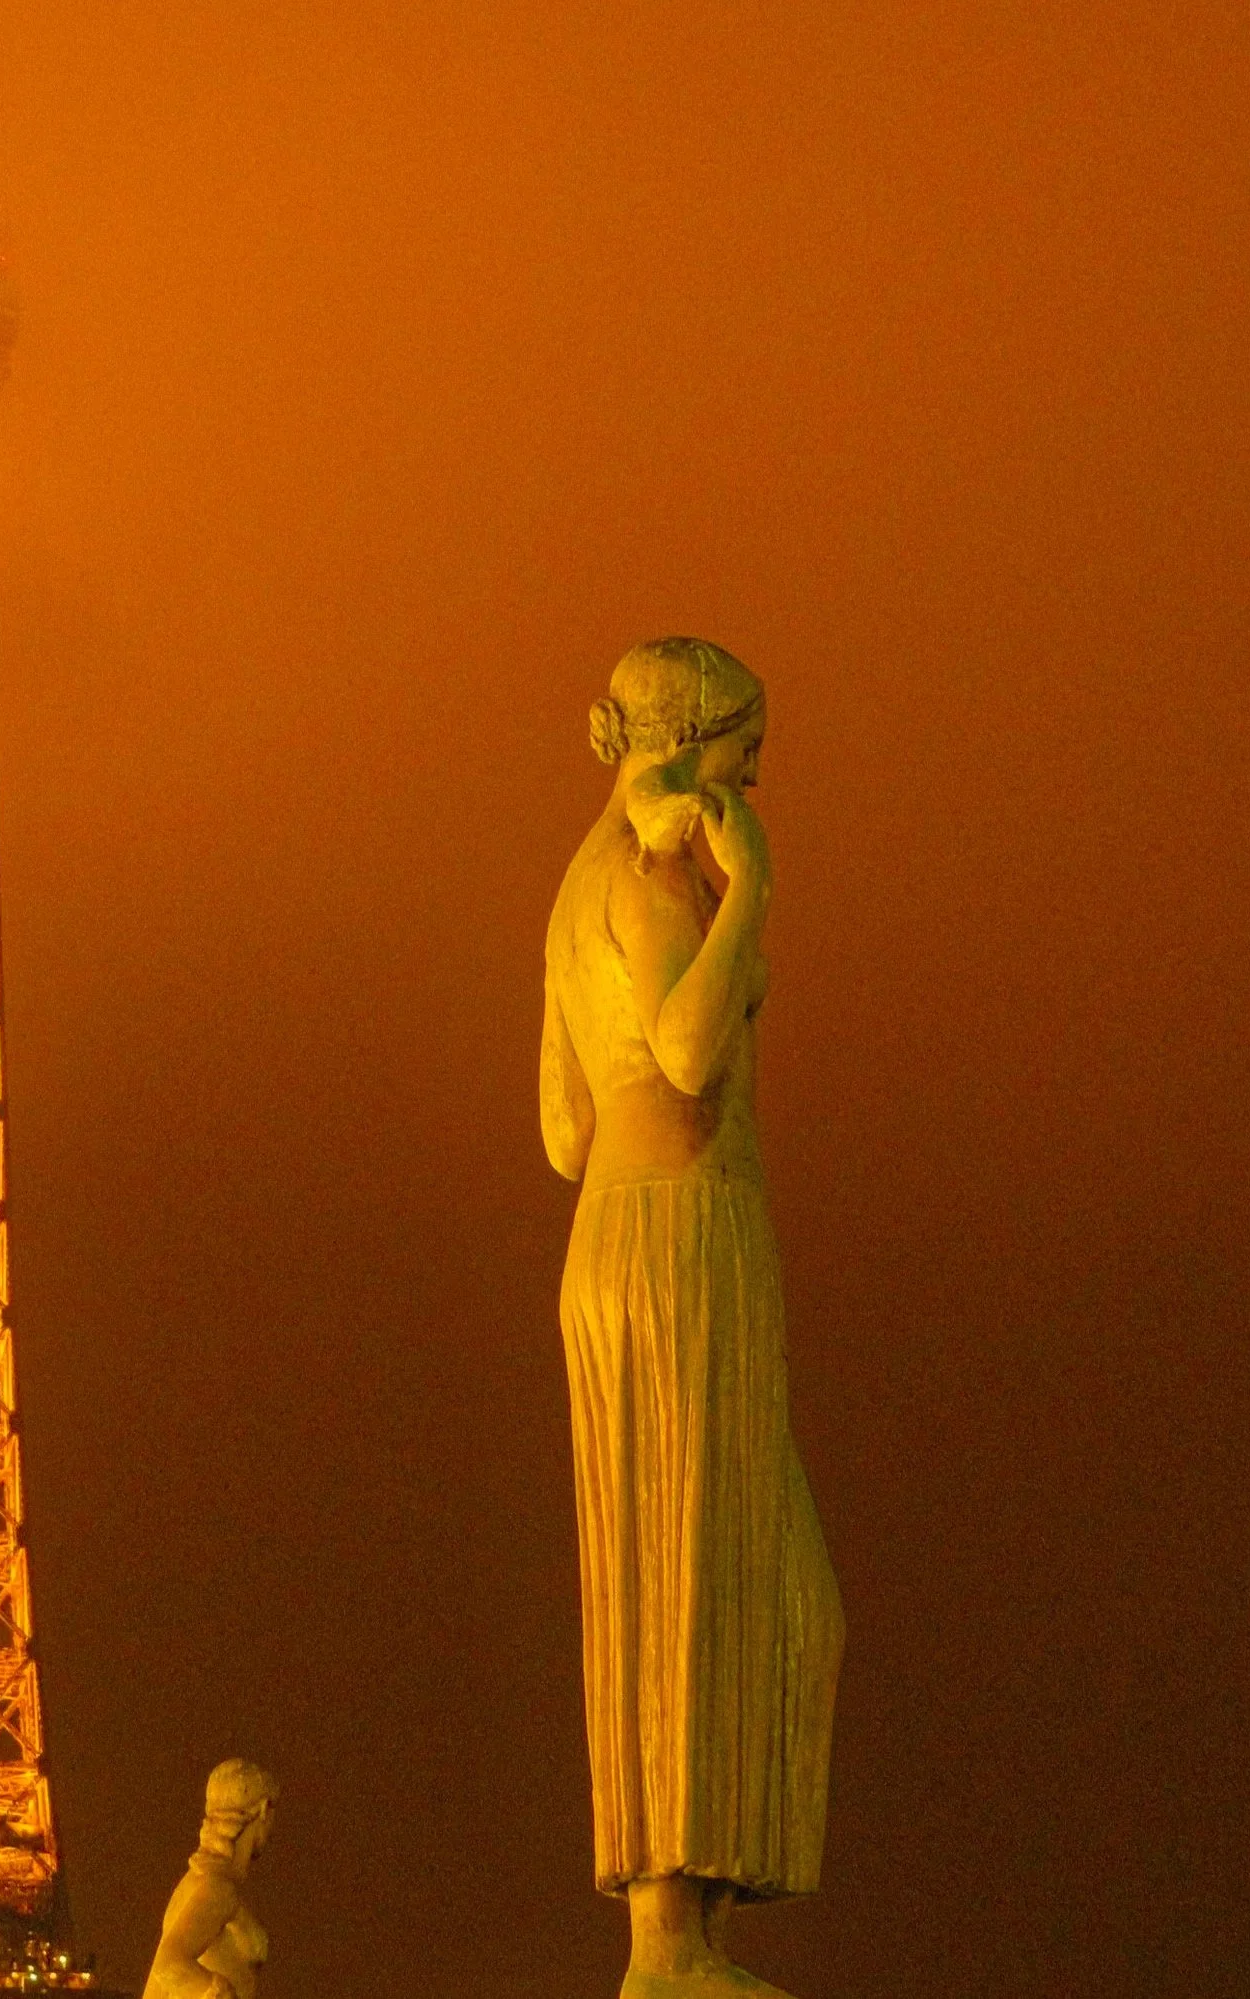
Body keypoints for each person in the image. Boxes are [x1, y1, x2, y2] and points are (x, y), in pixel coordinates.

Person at [541, 638, 844, 1993]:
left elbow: (558, 1126)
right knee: (701, 1566)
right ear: (683, 747)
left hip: (619, 1227)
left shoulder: (573, 887)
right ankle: (668, 1937)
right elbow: (683, 1047)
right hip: (683, 1235)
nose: (757, 776)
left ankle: (687, 1921)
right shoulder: (659, 874)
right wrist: (754, 893)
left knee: (762, 1585)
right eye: (744, 750)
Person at [141, 1759, 277, 1999]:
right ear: (264, 1809)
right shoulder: (218, 1888)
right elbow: (168, 1963)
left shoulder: (197, 1881)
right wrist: (220, 1992)